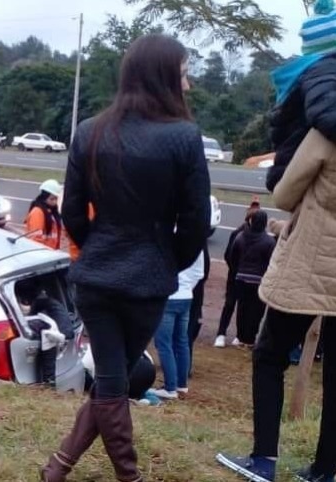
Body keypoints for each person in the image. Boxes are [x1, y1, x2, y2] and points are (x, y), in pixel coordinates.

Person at [41, 34, 210, 482]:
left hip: (95, 277)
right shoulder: (184, 137)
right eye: (184, 72)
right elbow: (195, 222)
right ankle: (128, 476)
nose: (187, 82)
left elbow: (72, 210)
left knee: (112, 382)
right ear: (164, 76)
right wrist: (168, 261)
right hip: (147, 281)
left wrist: (97, 246)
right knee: (116, 381)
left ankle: (57, 467)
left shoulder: (88, 131)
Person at [218, 135, 336, 479]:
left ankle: (264, 458)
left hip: (311, 263)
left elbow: (285, 194)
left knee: (270, 355)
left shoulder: (327, 131)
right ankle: (325, 469)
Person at [151, 250, 205, 400]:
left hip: (168, 296)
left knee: (164, 344)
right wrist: (186, 286)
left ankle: (170, 387)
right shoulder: (195, 239)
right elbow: (199, 273)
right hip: (186, 295)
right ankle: (181, 384)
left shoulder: (164, 235)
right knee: (181, 342)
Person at [215, 200, 261, 348]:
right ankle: (221, 333)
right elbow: (229, 255)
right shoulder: (237, 234)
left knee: (243, 307)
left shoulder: (260, 236)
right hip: (236, 276)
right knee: (230, 304)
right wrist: (236, 270)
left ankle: (239, 335)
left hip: (244, 278)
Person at [227, 210, 275, 348]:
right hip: (258, 280)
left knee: (242, 307)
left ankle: (240, 336)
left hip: (241, 278)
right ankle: (250, 338)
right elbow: (271, 262)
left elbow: (232, 256)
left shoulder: (241, 237)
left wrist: (237, 270)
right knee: (256, 310)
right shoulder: (269, 241)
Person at [17, 280, 76, 387]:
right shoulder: (48, 306)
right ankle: (49, 384)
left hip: (58, 337)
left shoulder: (44, 308)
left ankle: (49, 384)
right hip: (61, 344)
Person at [187, 242, 210, 377]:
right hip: (193, 292)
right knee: (186, 333)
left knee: (183, 333)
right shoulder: (201, 245)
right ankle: (184, 366)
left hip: (188, 292)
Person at [26, 179, 63, 250]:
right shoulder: (37, 212)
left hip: (51, 252)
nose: (55, 202)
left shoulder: (52, 212)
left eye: (56, 199)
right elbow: (35, 239)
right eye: (52, 199)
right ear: (44, 197)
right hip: (42, 253)